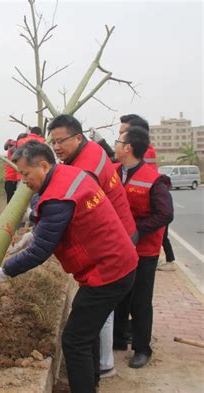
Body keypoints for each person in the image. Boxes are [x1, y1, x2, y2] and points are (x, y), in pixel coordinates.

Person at [0, 141, 137, 393]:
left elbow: (40, 252)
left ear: (44, 166)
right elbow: (57, 223)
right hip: (113, 263)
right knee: (84, 332)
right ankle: (90, 383)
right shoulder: (69, 174)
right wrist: (33, 233)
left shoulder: (58, 196)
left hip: (109, 271)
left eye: (25, 174)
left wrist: (3, 272)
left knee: (74, 340)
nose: (23, 180)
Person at [47, 114, 138, 378]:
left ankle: (103, 366)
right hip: (122, 232)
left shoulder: (82, 171)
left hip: (113, 242)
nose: (56, 148)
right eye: (53, 142)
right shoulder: (94, 149)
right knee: (98, 315)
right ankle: (98, 368)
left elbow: (68, 211)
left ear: (78, 137)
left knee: (96, 317)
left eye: (61, 141)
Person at [113, 126, 173, 368]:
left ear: (128, 148)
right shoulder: (113, 172)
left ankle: (142, 348)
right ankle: (118, 339)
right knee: (119, 296)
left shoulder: (154, 180)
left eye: (118, 141)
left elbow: (165, 214)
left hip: (143, 251)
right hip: (118, 249)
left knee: (140, 300)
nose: (114, 144)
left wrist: (137, 230)